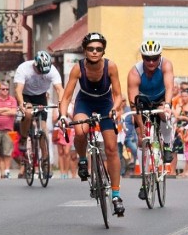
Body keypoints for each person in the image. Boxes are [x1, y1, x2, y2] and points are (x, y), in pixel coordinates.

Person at [58, 32, 126, 216]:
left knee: (111, 148)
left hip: (105, 103)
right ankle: (82, 159)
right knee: (80, 129)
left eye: (98, 49)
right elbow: (66, 97)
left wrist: (116, 108)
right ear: (85, 51)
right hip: (85, 101)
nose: (94, 52)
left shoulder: (110, 66)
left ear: (103, 50)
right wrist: (63, 116)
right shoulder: (78, 68)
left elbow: (118, 95)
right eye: (90, 49)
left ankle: (116, 195)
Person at [126, 40, 175, 171]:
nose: (151, 62)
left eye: (155, 58)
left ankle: (166, 144)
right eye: (147, 59)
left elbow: (169, 87)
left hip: (160, 99)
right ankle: (144, 182)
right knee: (141, 139)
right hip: (142, 102)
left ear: (160, 56)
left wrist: (168, 105)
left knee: (164, 113)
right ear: (142, 57)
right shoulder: (134, 73)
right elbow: (133, 104)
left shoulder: (166, 65)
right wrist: (141, 127)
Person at [14, 50, 64, 153]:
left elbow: (59, 89)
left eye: (45, 72)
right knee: (28, 114)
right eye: (40, 71)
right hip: (26, 95)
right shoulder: (23, 69)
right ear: (35, 65)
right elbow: (18, 90)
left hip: (41, 95)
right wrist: (22, 103)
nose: (42, 74)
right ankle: (23, 138)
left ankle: (45, 159)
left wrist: (61, 102)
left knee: (43, 127)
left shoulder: (52, 70)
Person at [0, 81, 18, 178]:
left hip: (8, 129)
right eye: (3, 89)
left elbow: (13, 112)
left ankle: (7, 171)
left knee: (7, 151)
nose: (5, 91)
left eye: (7, 89)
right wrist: (6, 109)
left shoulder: (13, 100)